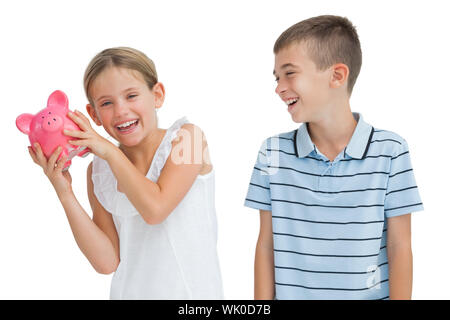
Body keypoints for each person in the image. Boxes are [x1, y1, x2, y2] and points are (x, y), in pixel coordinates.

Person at [244, 15, 423, 300]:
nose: (279, 87)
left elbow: (400, 245)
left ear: (337, 76)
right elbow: (266, 244)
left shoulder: (391, 151)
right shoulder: (272, 153)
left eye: (290, 73)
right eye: (277, 77)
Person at [28, 47, 223, 299]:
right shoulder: (98, 171)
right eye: (106, 103)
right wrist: (65, 193)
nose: (120, 111)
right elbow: (107, 262)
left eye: (131, 96)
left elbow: (155, 209)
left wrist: (108, 150)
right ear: (93, 115)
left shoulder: (188, 139)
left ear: (157, 95)